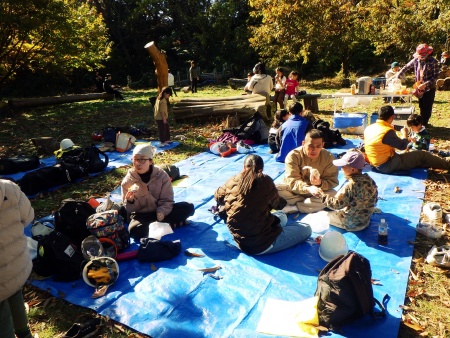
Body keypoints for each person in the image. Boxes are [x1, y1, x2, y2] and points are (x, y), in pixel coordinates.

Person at [214, 154, 311, 255]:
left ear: (244, 167)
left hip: (239, 239)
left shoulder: (232, 179)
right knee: (306, 228)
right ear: (261, 169)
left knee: (281, 216)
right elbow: (278, 204)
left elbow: (217, 196)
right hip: (260, 245)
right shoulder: (264, 180)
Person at [121, 145, 195, 241]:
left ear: (150, 161)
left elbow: (168, 199)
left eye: (142, 160)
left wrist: (162, 211)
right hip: (142, 215)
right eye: (135, 159)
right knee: (135, 231)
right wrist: (130, 201)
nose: (138, 163)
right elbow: (129, 209)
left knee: (188, 207)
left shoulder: (161, 176)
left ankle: (159, 225)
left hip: (160, 212)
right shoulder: (128, 181)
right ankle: (171, 224)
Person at [363, 105, 450, 174]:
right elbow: (402, 146)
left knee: (415, 156)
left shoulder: (369, 127)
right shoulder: (386, 131)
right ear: (392, 117)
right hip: (386, 165)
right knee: (423, 155)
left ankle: (437, 162)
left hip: (375, 162)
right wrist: (404, 134)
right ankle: (447, 165)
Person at [0, 179, 35, 338]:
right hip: (16, 265)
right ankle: (24, 333)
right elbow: (28, 217)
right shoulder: (9, 188)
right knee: (14, 292)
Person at [276, 129, 339, 214]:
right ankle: (310, 204)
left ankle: (295, 207)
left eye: (318, 146)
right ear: (303, 144)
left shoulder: (328, 157)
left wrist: (320, 183)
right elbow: (292, 181)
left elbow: (332, 181)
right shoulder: (293, 156)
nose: (314, 150)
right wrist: (308, 188)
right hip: (295, 191)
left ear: (323, 145)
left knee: (334, 195)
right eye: (311, 146)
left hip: (318, 192)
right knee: (273, 189)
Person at [321, 150, 378, 232]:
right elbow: (374, 200)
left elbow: (336, 205)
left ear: (353, 170)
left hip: (351, 223)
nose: (342, 168)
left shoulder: (350, 186)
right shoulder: (370, 180)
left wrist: (321, 195)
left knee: (321, 216)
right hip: (365, 220)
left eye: (344, 166)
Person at [395, 44, 439, 127]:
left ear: (428, 54)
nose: (421, 57)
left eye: (423, 56)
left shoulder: (434, 62)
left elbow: (435, 76)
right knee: (421, 105)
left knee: (427, 106)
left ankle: (424, 123)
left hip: (429, 87)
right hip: (418, 87)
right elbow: (406, 67)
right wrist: (397, 76)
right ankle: (422, 122)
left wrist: (425, 84)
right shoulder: (416, 60)